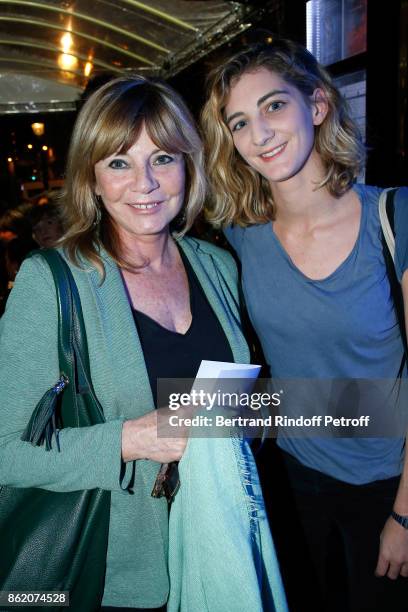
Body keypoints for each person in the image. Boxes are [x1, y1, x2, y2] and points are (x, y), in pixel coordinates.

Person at [0, 76, 253, 611]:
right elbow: (6, 454)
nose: (146, 183)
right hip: (112, 572)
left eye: (163, 158)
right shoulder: (51, 281)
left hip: (219, 548)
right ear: (91, 178)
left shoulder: (218, 266)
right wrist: (130, 439)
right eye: (119, 162)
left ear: (189, 165)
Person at [201, 38, 408, 612]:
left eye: (273, 106)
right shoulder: (239, 239)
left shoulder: (394, 218)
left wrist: (405, 514)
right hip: (289, 480)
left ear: (316, 106)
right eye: (239, 122)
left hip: (387, 485)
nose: (259, 134)